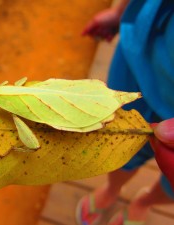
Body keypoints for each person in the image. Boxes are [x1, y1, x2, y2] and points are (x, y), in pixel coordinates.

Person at [76, 0, 174, 224]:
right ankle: (112, 190)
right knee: (120, 143)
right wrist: (120, 11)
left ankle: (144, 202)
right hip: (143, 58)